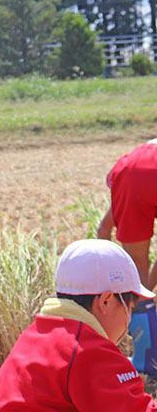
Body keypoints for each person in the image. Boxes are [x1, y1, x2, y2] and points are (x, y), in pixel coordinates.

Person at [0, 239, 157, 411]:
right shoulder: (89, 351)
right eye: (130, 308)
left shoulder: (36, 335)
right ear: (106, 301)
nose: (128, 323)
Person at [97, 138, 157, 376]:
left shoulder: (128, 170)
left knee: (137, 268)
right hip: (135, 171)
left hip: (131, 171)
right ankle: (150, 361)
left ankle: (146, 359)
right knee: (142, 285)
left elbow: (103, 229)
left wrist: (107, 287)